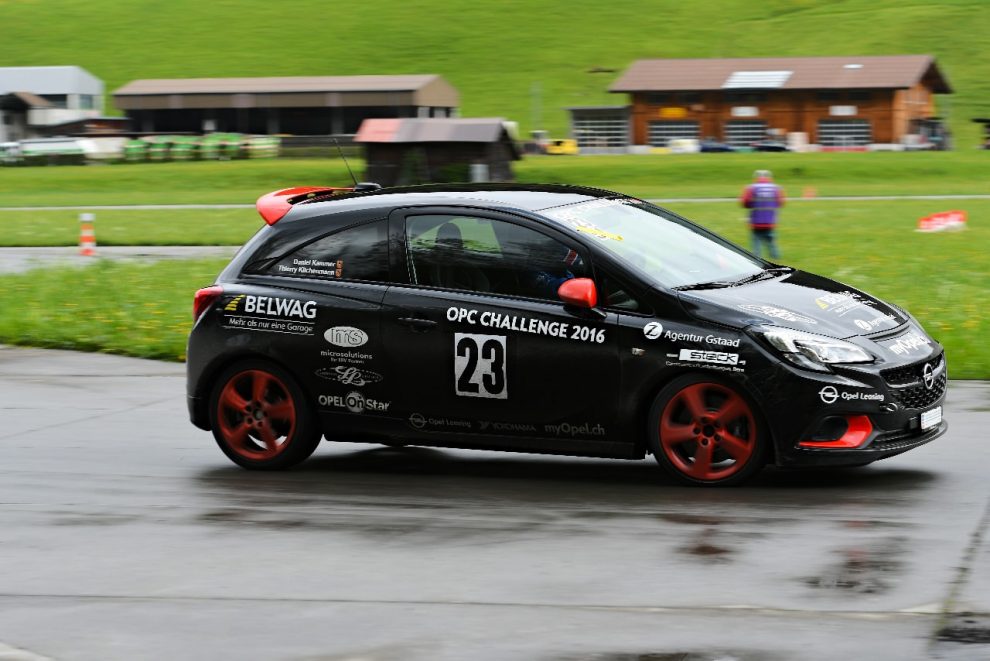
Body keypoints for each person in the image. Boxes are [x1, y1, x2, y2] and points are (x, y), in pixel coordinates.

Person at [740, 169, 785, 260]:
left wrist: (751, 205)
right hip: (770, 220)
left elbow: (745, 202)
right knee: (771, 240)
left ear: (756, 177)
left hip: (755, 221)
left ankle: (757, 259)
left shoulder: (751, 188)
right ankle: (776, 258)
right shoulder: (776, 188)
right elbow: (781, 202)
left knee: (756, 242)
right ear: (769, 178)